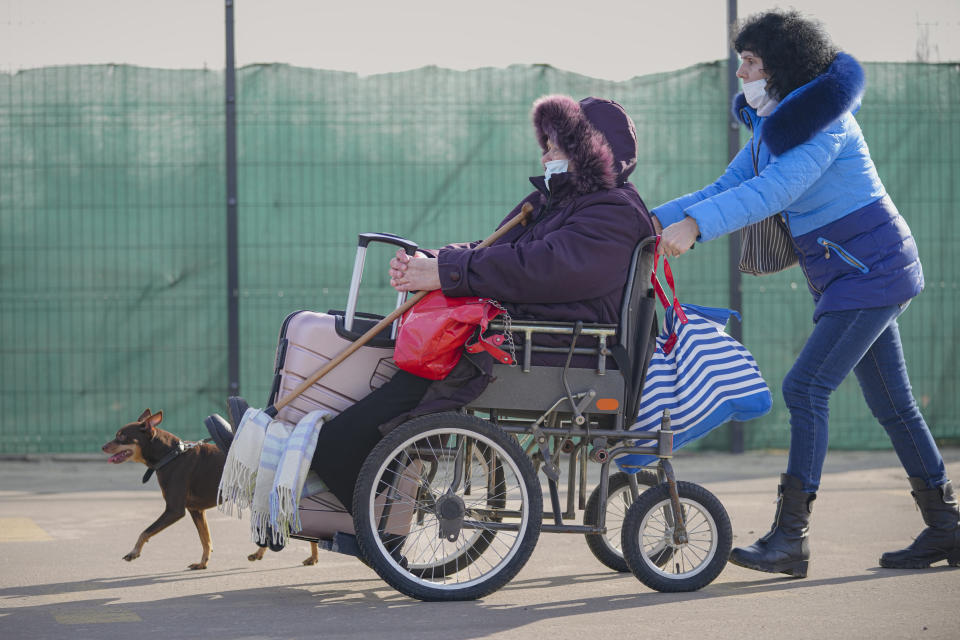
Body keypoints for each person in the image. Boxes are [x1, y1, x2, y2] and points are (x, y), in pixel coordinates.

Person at [653, 9, 958, 577]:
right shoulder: (774, 129)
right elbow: (727, 186)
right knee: (894, 405)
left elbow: (773, 191)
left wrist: (694, 227)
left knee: (805, 387)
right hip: (852, 273)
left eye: (751, 62)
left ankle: (791, 538)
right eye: (740, 60)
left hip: (872, 270)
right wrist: (640, 222)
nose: (740, 72)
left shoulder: (825, 124)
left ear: (782, 69)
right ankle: (947, 528)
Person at [308, 95, 654, 514]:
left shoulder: (613, 212)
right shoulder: (554, 201)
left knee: (424, 369)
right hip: (521, 338)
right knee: (410, 356)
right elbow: (491, 248)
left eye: (557, 143)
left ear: (590, 150)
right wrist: (435, 261)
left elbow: (541, 267)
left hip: (554, 350)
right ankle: (347, 474)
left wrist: (446, 270)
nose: (546, 152)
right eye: (545, 141)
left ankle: (343, 473)